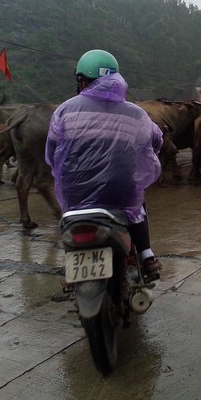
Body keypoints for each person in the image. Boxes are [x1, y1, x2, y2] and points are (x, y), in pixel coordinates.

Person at [45, 49, 164, 281]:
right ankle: (147, 255)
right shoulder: (137, 114)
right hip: (121, 193)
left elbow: (52, 155)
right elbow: (156, 142)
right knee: (138, 200)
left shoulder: (64, 111)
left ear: (82, 81)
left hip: (75, 194)